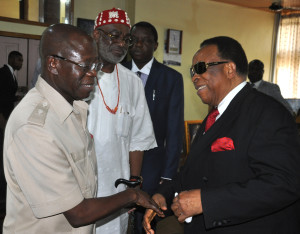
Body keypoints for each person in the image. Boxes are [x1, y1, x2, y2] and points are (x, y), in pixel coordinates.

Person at [3, 23, 162, 234]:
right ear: (53, 64)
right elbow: (78, 213)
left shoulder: (75, 108)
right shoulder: (34, 128)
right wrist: (132, 195)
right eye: (85, 66)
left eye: (95, 66)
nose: (93, 74)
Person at [143, 36, 300, 234]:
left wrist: (206, 202)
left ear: (229, 69)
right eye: (192, 72)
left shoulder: (268, 113)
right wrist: (162, 196)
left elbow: (283, 183)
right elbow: (194, 172)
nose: (194, 77)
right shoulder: (215, 116)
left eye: (200, 68)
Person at [87, 8, 157, 234]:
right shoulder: (79, 75)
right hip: (83, 187)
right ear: (96, 35)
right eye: (113, 35)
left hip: (117, 187)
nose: (121, 43)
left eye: (125, 38)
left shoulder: (132, 83)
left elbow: (138, 137)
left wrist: (133, 183)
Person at [123, 21, 184, 233]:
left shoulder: (171, 78)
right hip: (118, 162)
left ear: (155, 45)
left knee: (144, 223)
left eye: (145, 40)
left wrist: (167, 177)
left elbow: (174, 132)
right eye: (134, 40)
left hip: (152, 167)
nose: (138, 45)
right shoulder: (116, 72)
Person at [0, 50, 23, 217]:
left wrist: (17, 96)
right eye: (19, 60)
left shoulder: (10, 73)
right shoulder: (4, 73)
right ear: (12, 59)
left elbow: (7, 96)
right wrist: (3, 121)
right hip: (3, 119)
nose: (21, 63)